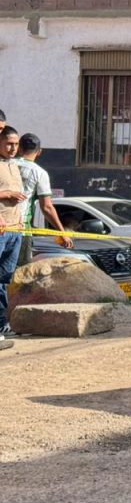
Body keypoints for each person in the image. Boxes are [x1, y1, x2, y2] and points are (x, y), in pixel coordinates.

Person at [16, 133, 73, 266]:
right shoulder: (39, 173)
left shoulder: (6, 165)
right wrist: (62, 233)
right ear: (39, 151)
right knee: (18, 275)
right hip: (21, 229)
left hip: (4, 226)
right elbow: (47, 207)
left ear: (19, 148)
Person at [0, 127, 26, 342]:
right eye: (9, 143)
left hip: (14, 230)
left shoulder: (14, 165)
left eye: (16, 144)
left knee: (4, 279)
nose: (13, 148)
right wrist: (6, 193)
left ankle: (2, 324)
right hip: (0, 230)